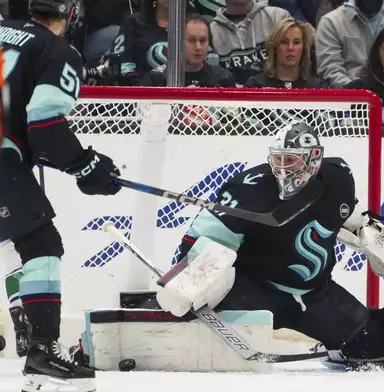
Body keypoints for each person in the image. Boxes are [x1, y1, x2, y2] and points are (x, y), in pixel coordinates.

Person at [157, 121, 384, 371]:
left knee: (372, 346)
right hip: (254, 290)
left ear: (313, 160)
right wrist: (188, 278)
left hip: (315, 293)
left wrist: (366, 229)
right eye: (278, 159)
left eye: (291, 160)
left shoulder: (338, 175)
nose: (283, 168)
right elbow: (200, 239)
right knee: (219, 360)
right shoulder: (249, 189)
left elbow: (344, 210)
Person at [0, 1, 122, 391]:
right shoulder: (58, 50)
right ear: (72, 14)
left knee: (14, 236)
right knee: (41, 243)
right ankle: (42, 352)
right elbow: (47, 125)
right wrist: (87, 165)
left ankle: (32, 332)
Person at [141, 14, 235, 87]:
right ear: (178, 42)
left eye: (202, 41)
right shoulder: (156, 80)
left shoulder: (223, 79)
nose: (198, 47)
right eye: (192, 40)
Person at [245, 17, 327, 88]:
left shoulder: (318, 87)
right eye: (284, 42)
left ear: (304, 48)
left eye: (296, 42)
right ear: (275, 47)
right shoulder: (256, 85)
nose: (290, 48)